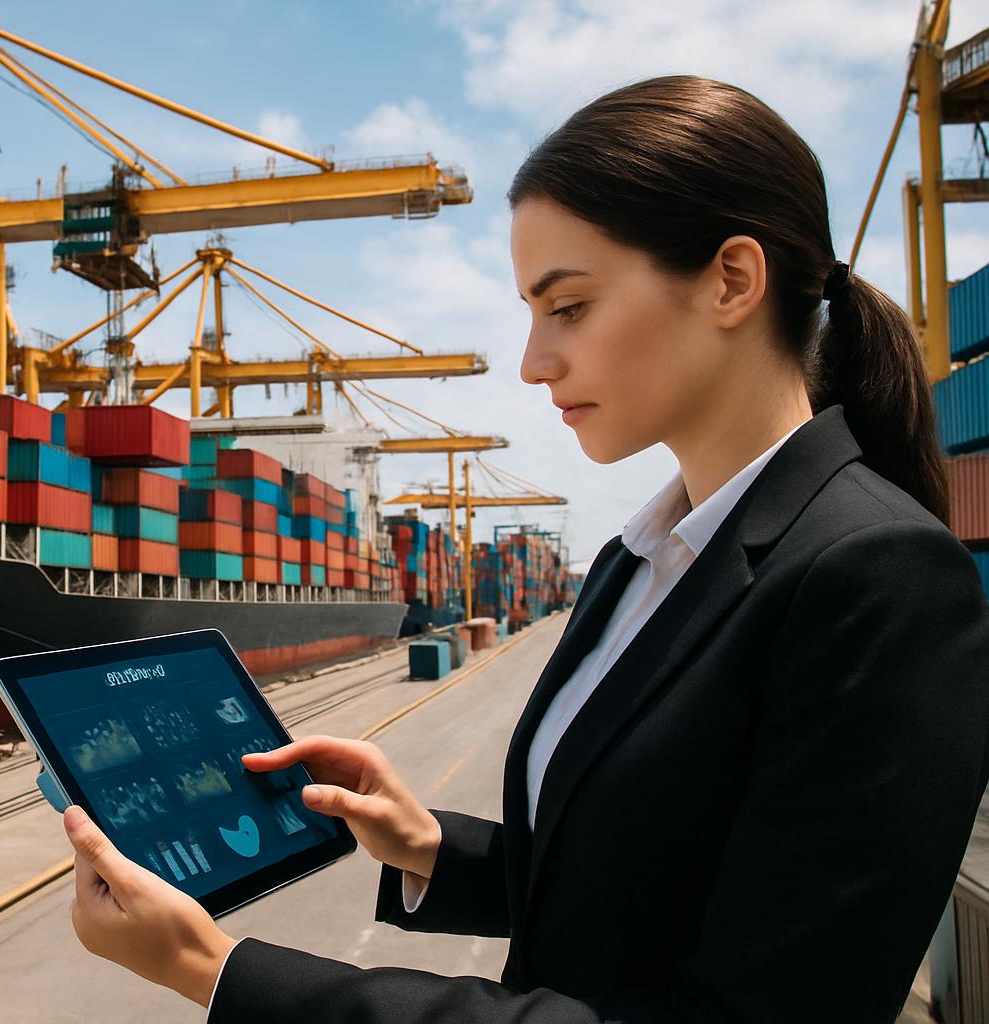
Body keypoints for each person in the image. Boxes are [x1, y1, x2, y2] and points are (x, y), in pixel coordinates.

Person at [57, 75, 989, 1022]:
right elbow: (646, 888)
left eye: (570, 307)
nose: (533, 360)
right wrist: (430, 846)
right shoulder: (639, 562)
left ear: (731, 280)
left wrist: (219, 973)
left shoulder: (882, 580)